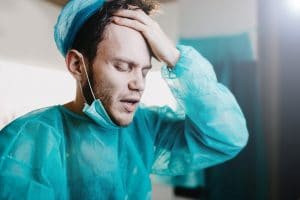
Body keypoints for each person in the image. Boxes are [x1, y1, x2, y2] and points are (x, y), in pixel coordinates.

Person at [0, 0, 248, 199]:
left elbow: (226, 137)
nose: (139, 84)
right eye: (122, 66)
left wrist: (175, 57)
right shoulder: (29, 141)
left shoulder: (146, 128)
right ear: (77, 65)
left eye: (143, 70)